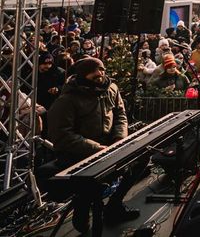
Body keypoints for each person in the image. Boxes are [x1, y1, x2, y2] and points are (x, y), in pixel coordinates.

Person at [47, 58, 144, 232]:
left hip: (109, 146)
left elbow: (120, 115)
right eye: (95, 73)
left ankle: (114, 205)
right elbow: (62, 135)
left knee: (142, 157)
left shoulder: (111, 89)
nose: (100, 74)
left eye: (102, 70)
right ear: (83, 76)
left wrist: (119, 139)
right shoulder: (67, 100)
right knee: (89, 195)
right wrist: (96, 148)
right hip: (79, 153)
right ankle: (82, 206)